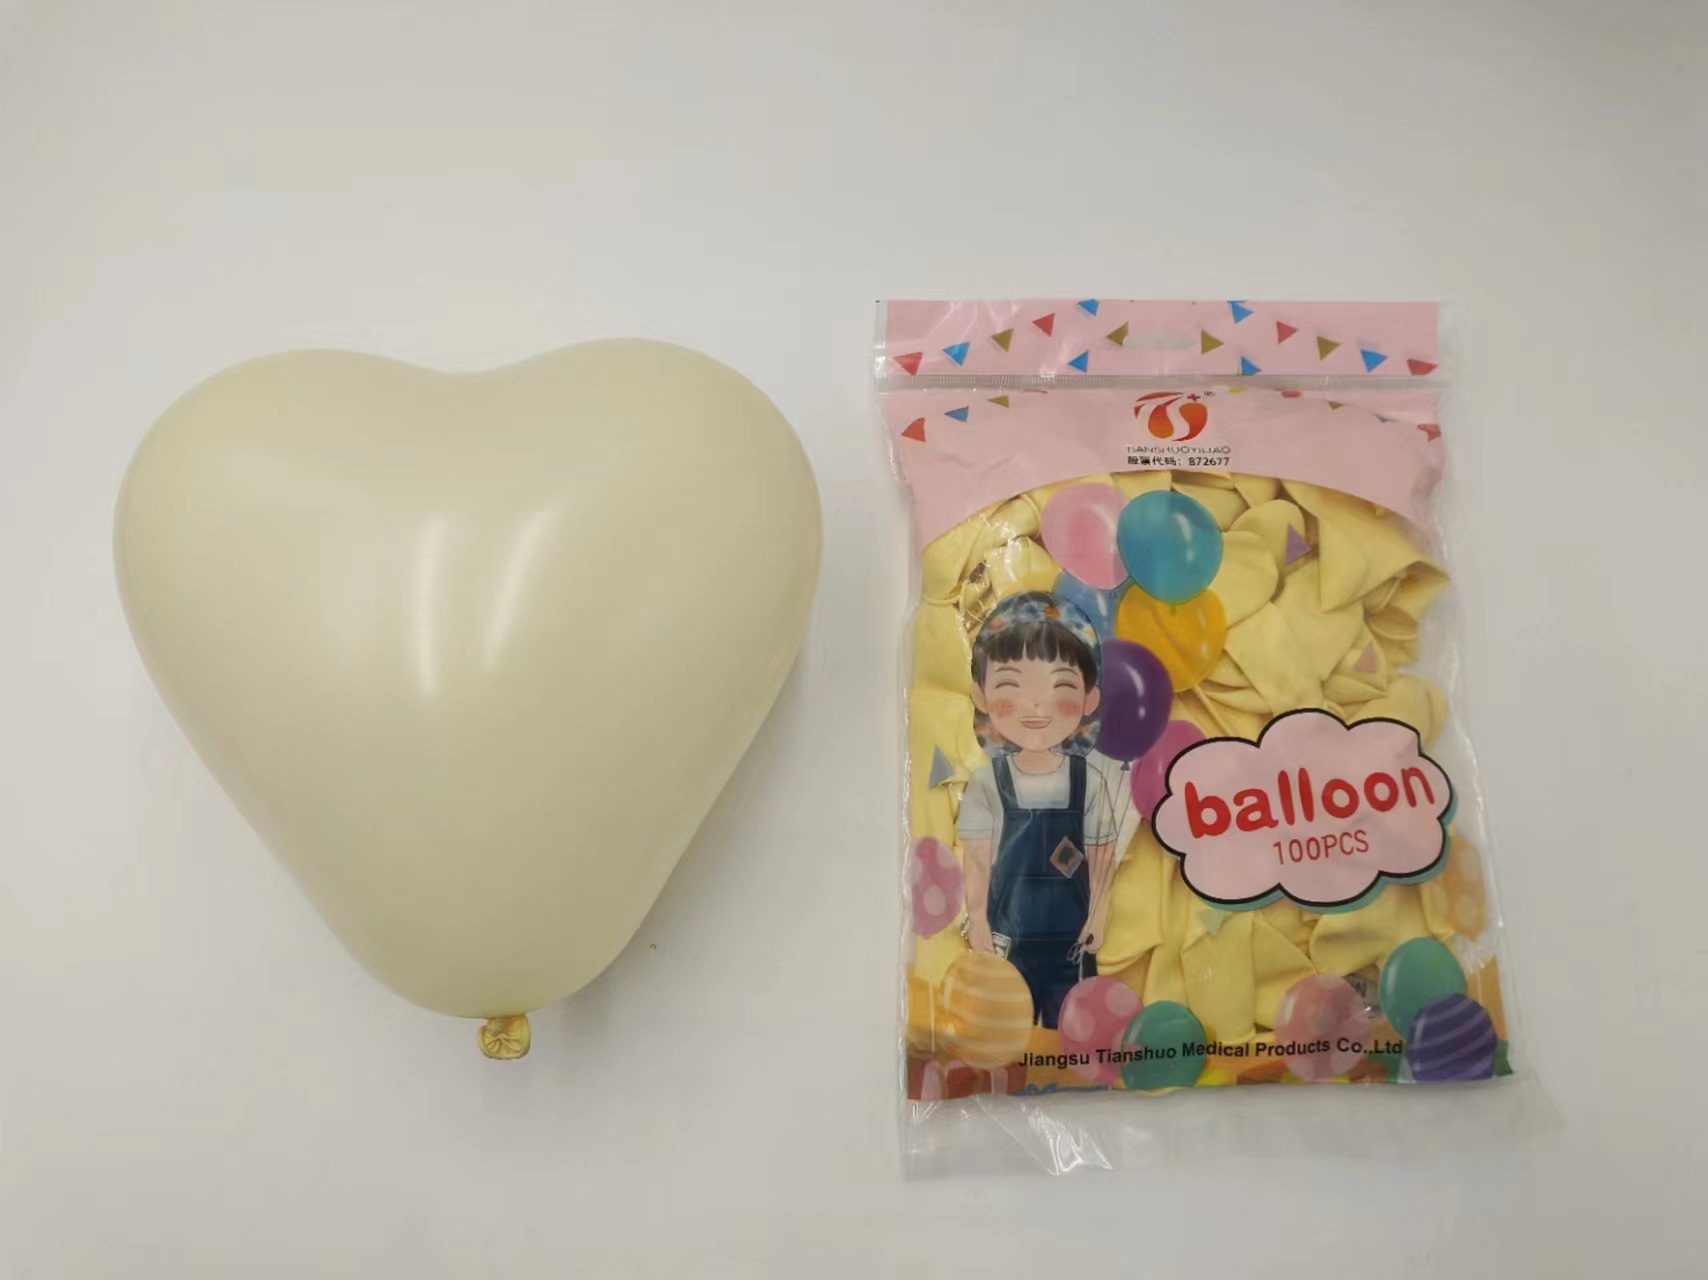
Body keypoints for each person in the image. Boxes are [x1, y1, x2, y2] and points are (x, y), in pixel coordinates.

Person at [957, 592, 1118, 1030]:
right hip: (1009, 942)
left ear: (1089, 699)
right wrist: (977, 919)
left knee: (1072, 1031)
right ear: (980, 694)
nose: (1035, 706)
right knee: (1008, 1032)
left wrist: (1099, 913)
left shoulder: (1090, 782)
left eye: (1058, 687)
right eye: (1011, 685)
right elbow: (976, 857)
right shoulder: (986, 783)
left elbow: (1102, 856)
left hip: (1073, 942)